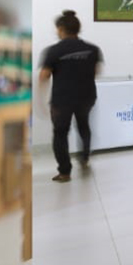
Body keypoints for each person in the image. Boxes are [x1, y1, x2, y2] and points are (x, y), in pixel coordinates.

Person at [38, 10, 103, 182]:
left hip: (62, 100)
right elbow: (96, 72)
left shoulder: (53, 51)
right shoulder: (93, 49)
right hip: (87, 97)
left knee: (60, 134)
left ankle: (65, 172)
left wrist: (39, 100)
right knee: (84, 127)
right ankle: (85, 159)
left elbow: (44, 76)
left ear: (61, 29)